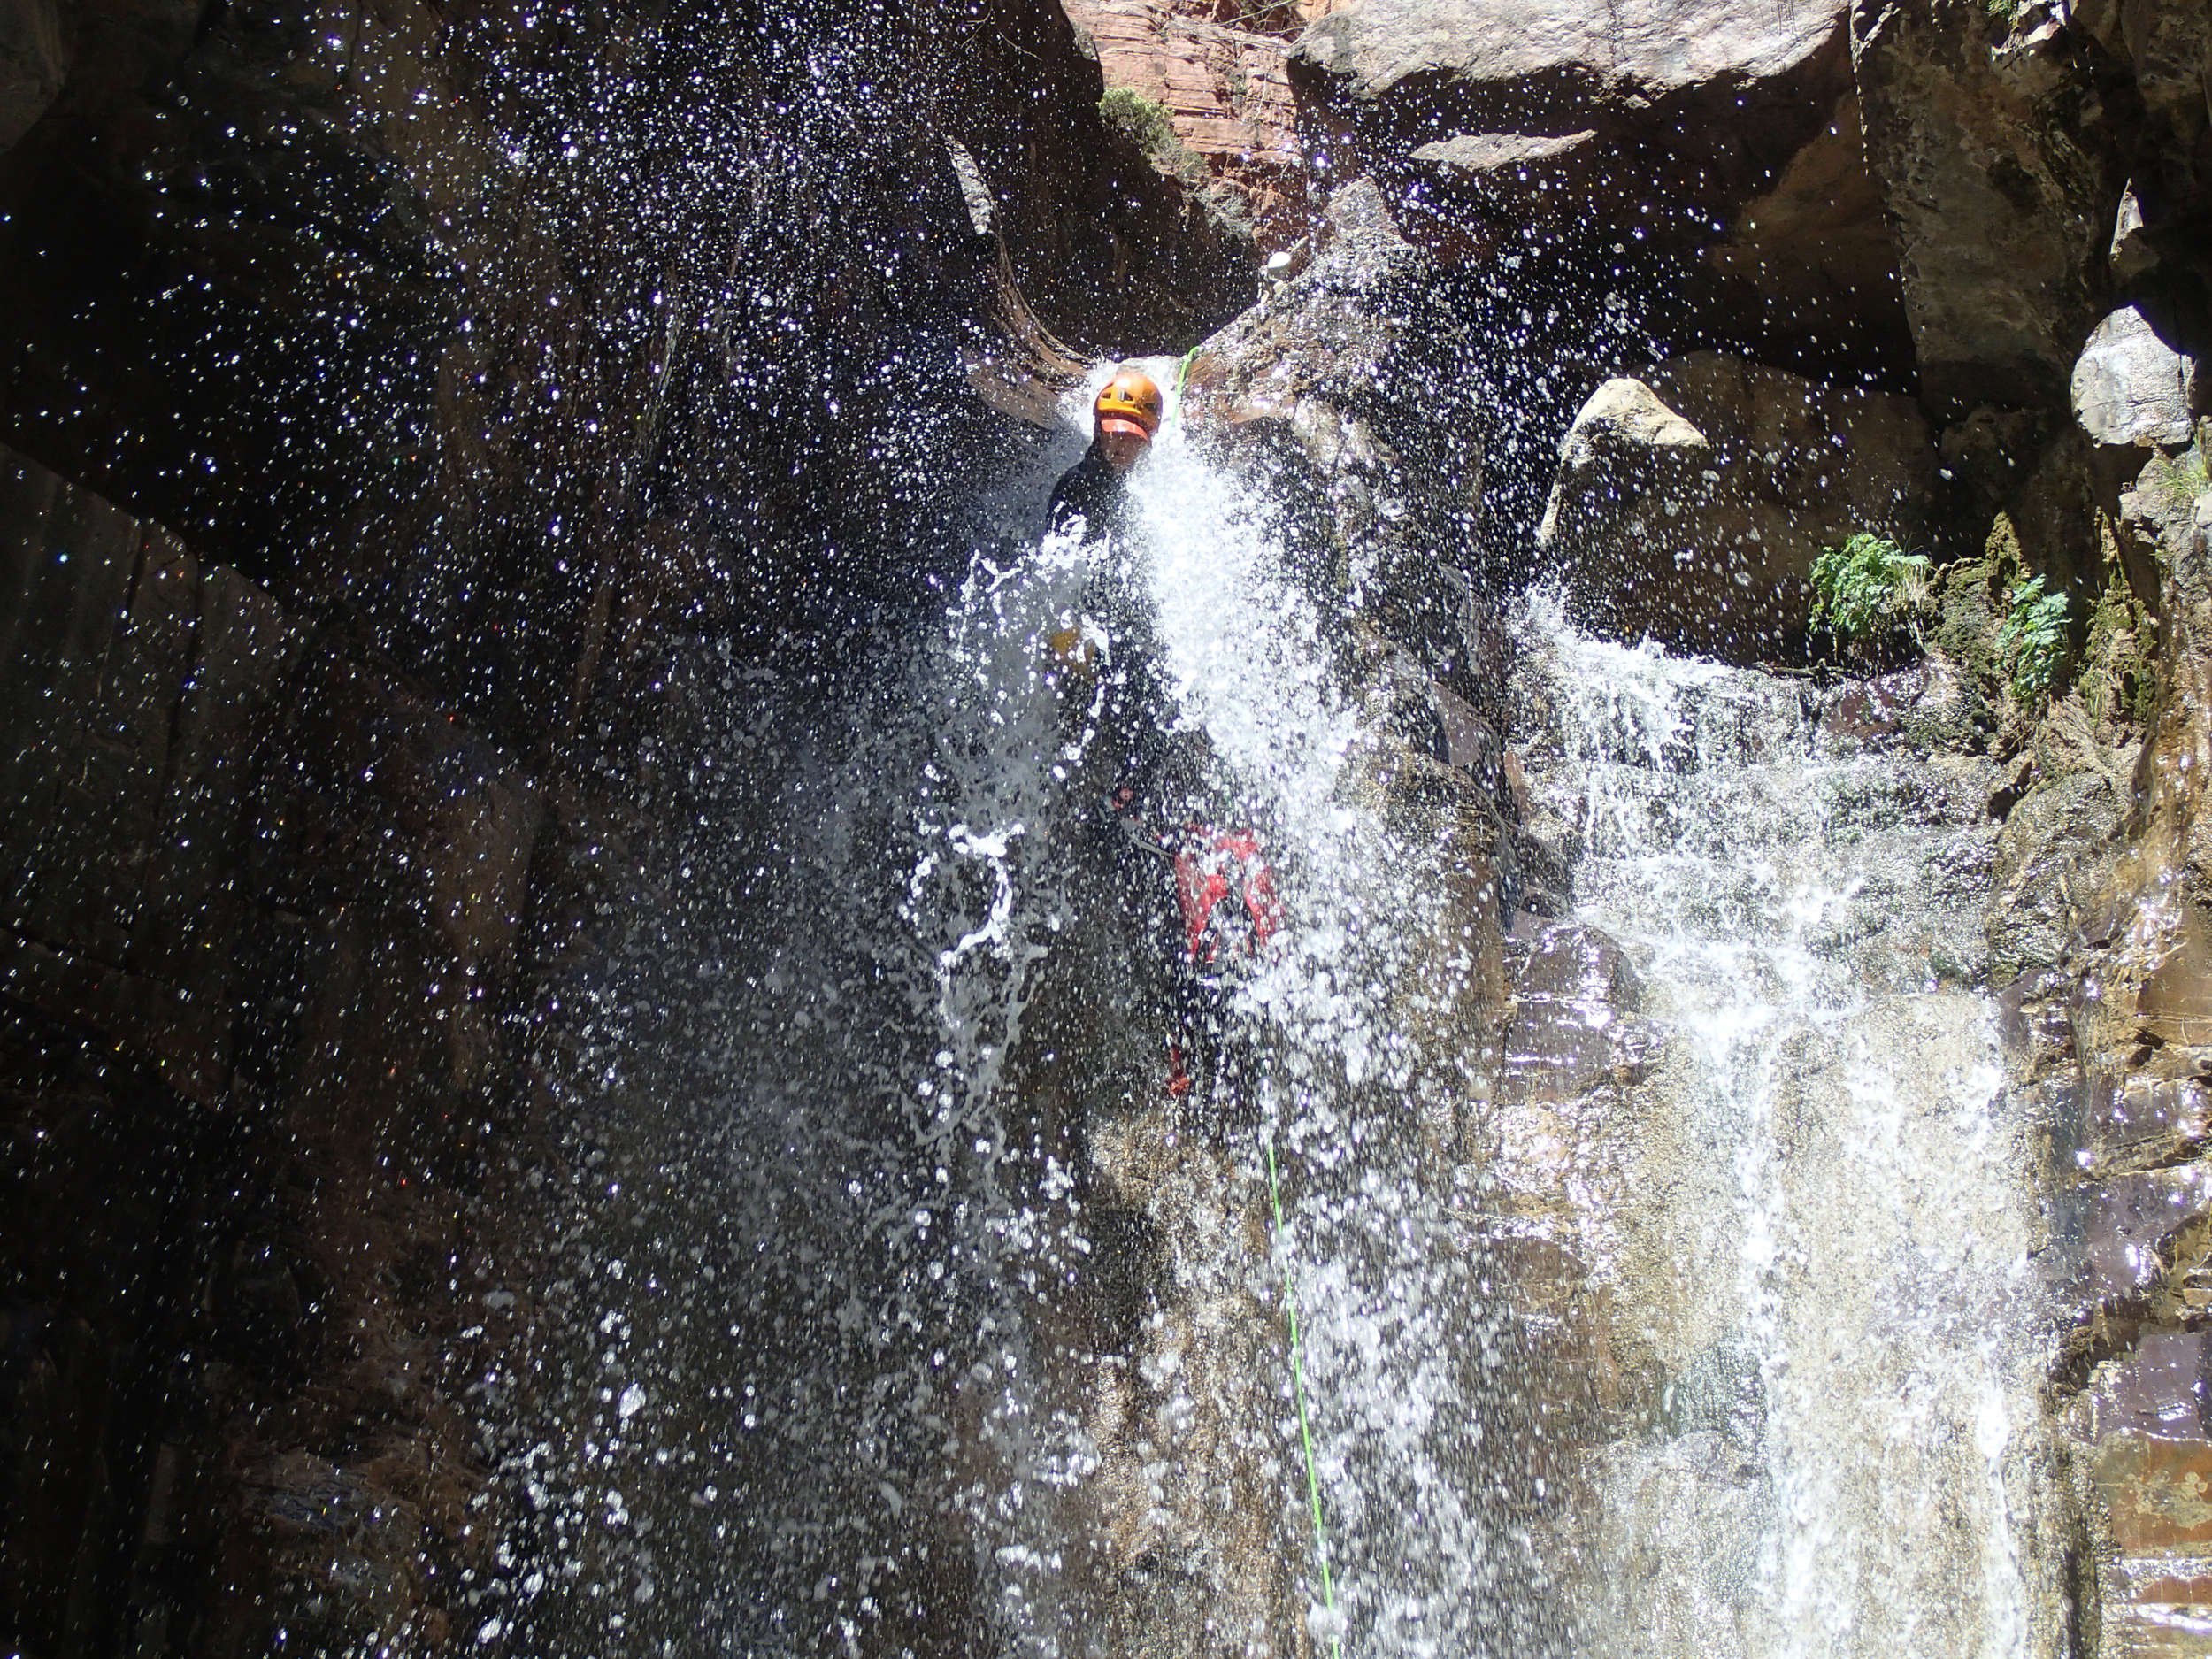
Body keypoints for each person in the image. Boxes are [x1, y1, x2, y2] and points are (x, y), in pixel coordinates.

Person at [1043, 366, 1281, 1103]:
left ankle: (1208, 908)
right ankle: (1180, 1011)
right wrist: (1071, 670)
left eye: (1131, 439)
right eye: (1113, 436)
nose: (1120, 448)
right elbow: (1062, 597)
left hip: (1140, 677)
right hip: (1106, 680)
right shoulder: (1075, 494)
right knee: (1141, 827)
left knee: (1168, 802)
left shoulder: (1146, 502)